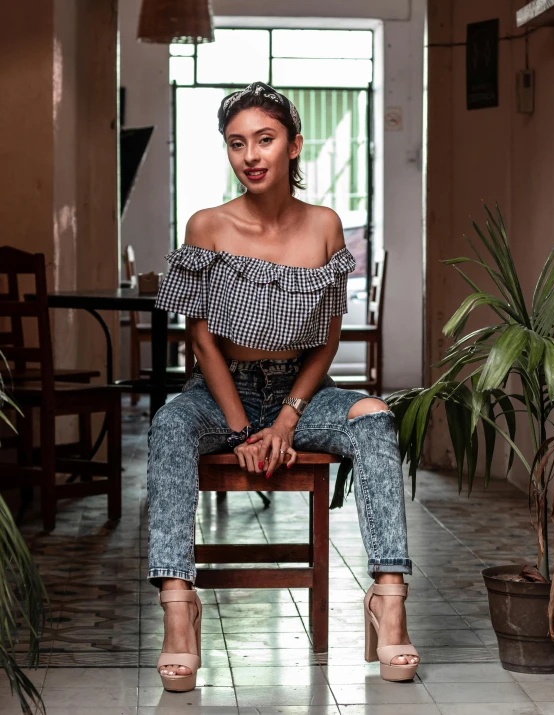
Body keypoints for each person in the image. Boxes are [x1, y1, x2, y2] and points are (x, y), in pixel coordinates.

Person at [148, 81, 420, 692]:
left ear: (294, 146)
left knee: (375, 414)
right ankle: (178, 606)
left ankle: (389, 596)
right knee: (167, 424)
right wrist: (243, 427)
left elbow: (327, 341)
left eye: (264, 140)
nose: (251, 155)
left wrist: (288, 417)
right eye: (236, 143)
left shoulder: (324, 225)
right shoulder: (207, 227)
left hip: (299, 390)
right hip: (222, 394)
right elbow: (202, 342)